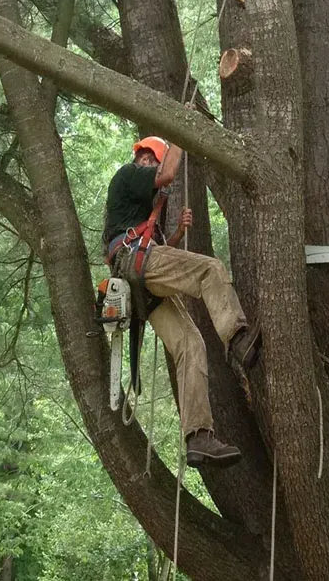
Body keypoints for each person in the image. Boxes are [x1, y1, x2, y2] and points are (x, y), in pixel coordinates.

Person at [103, 136, 261, 468]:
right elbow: (167, 175)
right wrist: (179, 132)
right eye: (155, 161)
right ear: (147, 158)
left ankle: (198, 437)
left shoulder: (140, 211)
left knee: (191, 343)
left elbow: (158, 253)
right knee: (210, 270)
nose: (155, 167)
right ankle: (238, 338)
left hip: (142, 284)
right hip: (135, 264)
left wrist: (175, 235)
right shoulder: (128, 174)